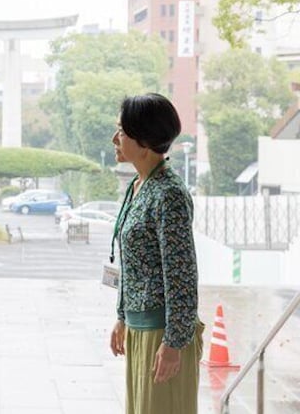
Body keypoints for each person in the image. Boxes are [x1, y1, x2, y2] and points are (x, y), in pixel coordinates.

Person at [108, 93, 203, 414]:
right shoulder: (139, 185)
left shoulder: (169, 195)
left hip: (163, 331)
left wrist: (175, 343)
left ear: (144, 141)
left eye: (121, 131)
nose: (114, 139)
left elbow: (182, 276)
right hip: (139, 328)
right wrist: (122, 316)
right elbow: (134, 263)